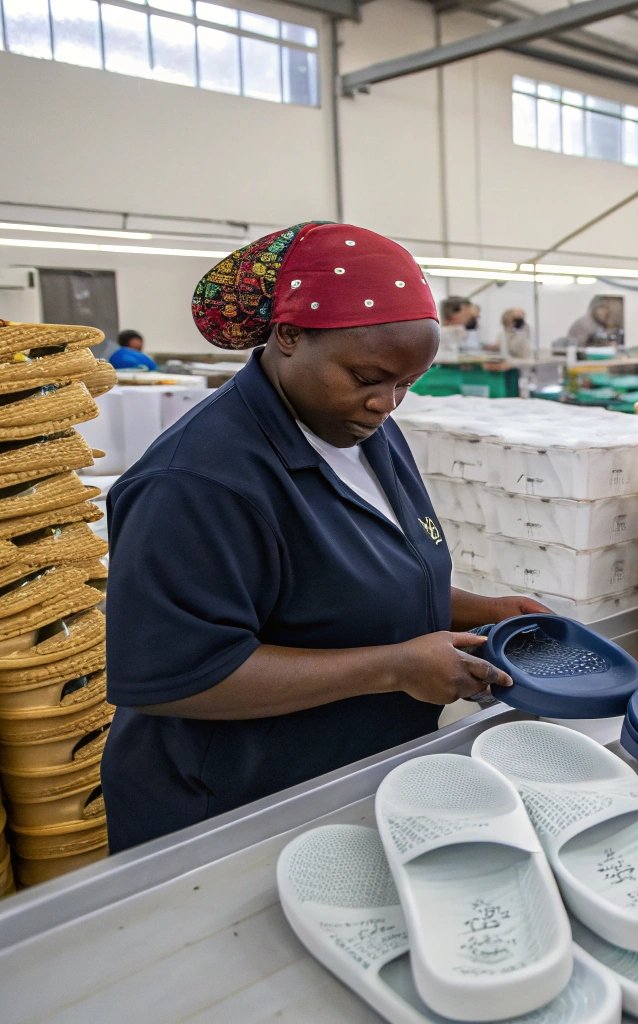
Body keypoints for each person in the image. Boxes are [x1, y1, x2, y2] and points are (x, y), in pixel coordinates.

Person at [102, 222, 549, 851]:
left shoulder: (360, 430)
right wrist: (394, 668)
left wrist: (481, 610)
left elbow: (343, 580)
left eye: (406, 384)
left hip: (349, 775)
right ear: (288, 336)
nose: (386, 403)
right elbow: (181, 674)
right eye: (367, 377)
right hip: (231, 811)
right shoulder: (198, 482)